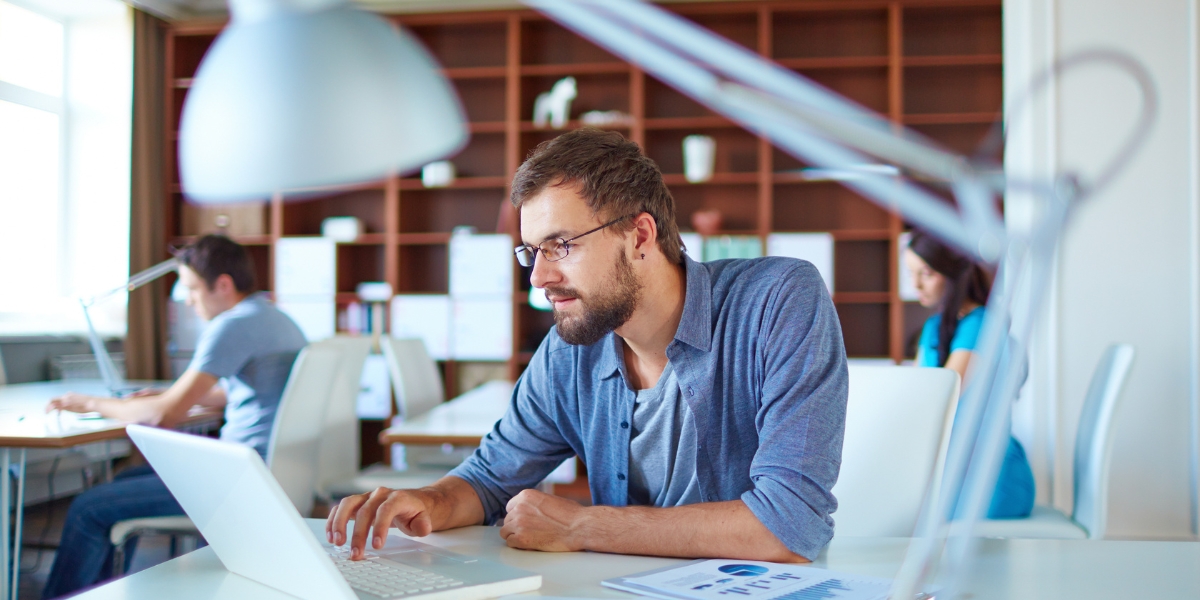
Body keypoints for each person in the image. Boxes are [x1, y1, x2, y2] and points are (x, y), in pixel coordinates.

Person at [328, 128, 848, 562]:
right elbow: (490, 480)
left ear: (640, 236)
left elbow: (790, 525)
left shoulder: (778, 301)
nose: (539, 277)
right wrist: (427, 501)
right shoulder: (569, 350)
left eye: (561, 245)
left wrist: (581, 527)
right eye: (532, 251)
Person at [42, 235, 307, 598]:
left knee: (89, 507)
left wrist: (92, 403)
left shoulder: (232, 325)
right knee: (128, 479)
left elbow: (161, 417)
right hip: (273, 469)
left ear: (223, 284)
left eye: (193, 289)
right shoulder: (275, 318)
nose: (189, 301)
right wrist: (171, 397)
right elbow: (244, 391)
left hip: (240, 480)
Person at [903, 231, 1034, 519]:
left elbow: (942, 397)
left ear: (952, 274)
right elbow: (914, 394)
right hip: (954, 472)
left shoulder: (983, 323)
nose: (915, 284)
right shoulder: (934, 327)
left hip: (989, 482)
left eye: (926, 273)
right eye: (911, 273)